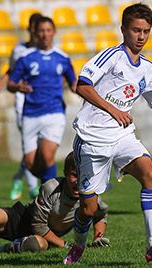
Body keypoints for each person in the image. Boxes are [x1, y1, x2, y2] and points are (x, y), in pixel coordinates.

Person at [63, 3, 152, 265]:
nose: (141, 36)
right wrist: (114, 110)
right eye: (136, 30)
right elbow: (83, 85)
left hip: (122, 135)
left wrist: (118, 116)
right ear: (123, 29)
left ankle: (151, 245)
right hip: (92, 138)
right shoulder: (110, 57)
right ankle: (78, 245)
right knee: (89, 209)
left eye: (146, 31)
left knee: (149, 173)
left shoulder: (148, 68)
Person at [7, 16, 77, 184]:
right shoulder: (25, 58)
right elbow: (10, 84)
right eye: (41, 31)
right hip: (30, 114)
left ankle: (51, 198)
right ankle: (51, 187)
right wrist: (18, 87)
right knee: (31, 163)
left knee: (47, 156)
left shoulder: (62, 58)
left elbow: (73, 84)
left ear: (53, 32)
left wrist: (89, 95)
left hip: (54, 113)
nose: (45, 34)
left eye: (48, 30)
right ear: (35, 33)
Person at [0, 13, 43, 201]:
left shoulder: (48, 51)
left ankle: (18, 177)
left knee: (39, 147)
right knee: (29, 143)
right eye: (36, 29)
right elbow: (12, 70)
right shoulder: (20, 50)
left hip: (43, 101)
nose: (40, 34)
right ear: (30, 30)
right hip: (23, 99)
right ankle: (33, 188)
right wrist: (1, 84)